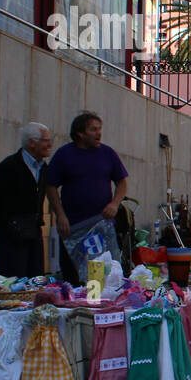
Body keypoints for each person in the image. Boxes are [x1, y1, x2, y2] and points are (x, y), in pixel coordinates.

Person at [44, 112, 128, 285]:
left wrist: (115, 203)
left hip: (101, 224)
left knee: (105, 273)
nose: (99, 134)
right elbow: (50, 186)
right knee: (76, 276)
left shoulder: (108, 153)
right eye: (93, 129)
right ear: (80, 134)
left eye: (99, 129)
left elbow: (121, 182)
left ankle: (101, 305)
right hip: (73, 226)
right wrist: (60, 215)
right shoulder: (64, 155)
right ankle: (77, 307)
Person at [0, 122, 53, 278]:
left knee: (34, 283)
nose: (49, 145)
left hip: (34, 234)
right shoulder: (9, 167)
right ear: (31, 142)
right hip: (12, 239)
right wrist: (6, 229)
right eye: (45, 140)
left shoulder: (43, 168)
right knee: (14, 285)